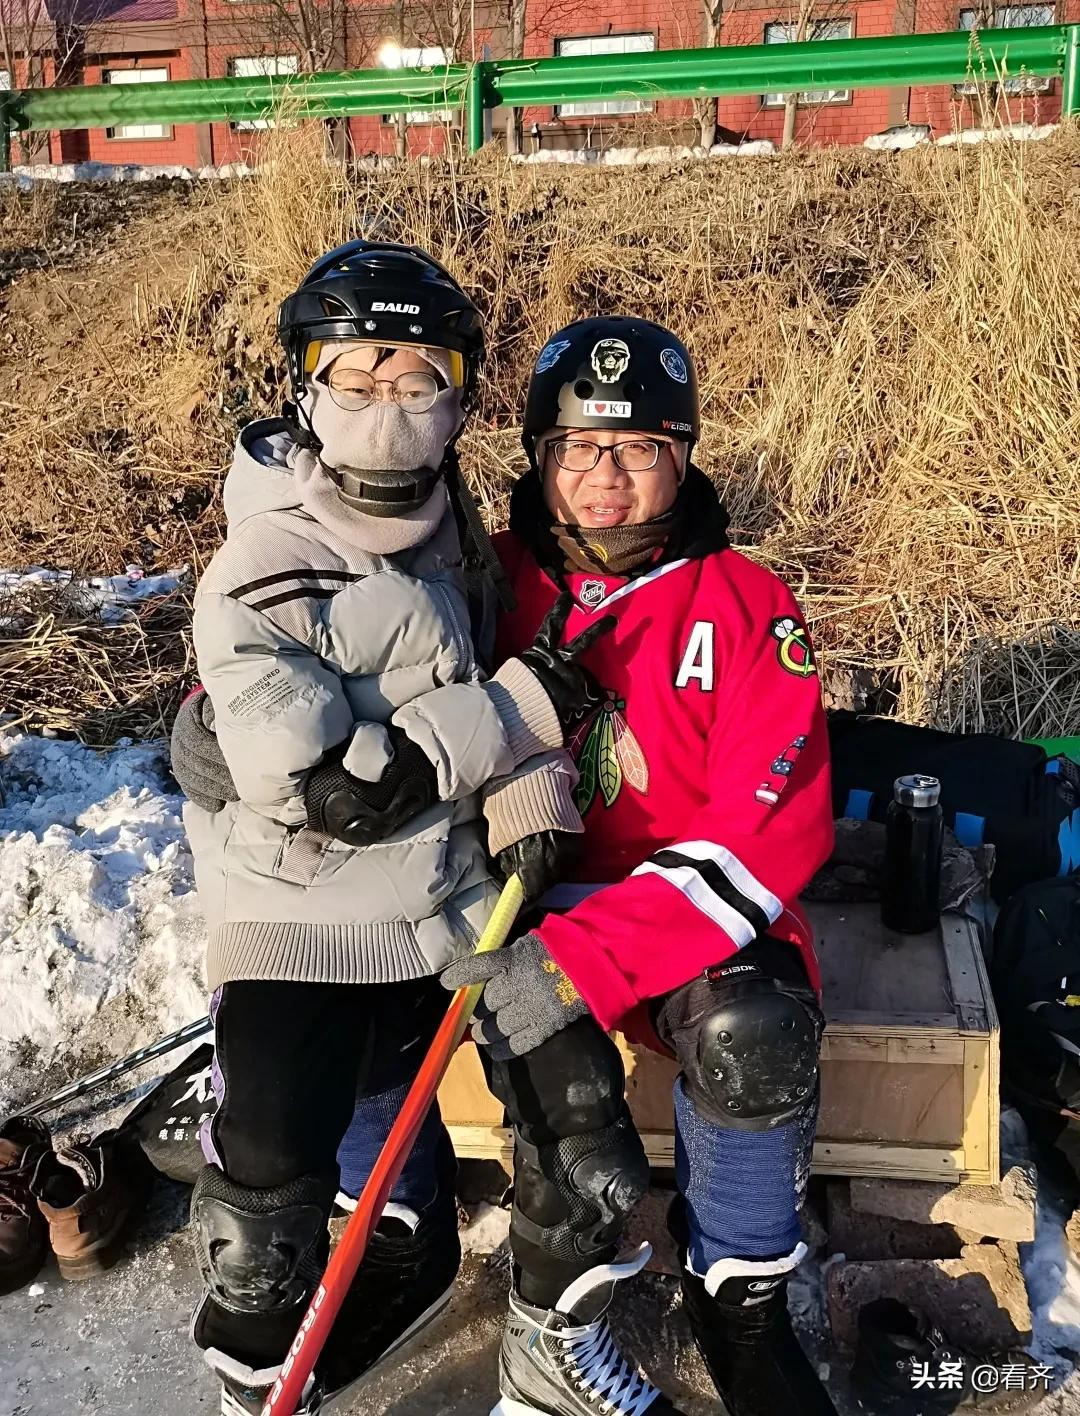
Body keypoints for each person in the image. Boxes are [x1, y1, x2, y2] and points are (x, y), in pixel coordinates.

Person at [177, 240, 599, 1416]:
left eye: (417, 377)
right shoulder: (264, 552)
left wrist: (530, 798)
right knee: (263, 1199)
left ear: (460, 393)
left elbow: (486, 668)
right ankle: (253, 1373)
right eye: (356, 374)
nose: (388, 406)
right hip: (296, 908)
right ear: (305, 386)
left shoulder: (462, 532)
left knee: (561, 1102)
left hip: (449, 899)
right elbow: (347, 786)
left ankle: (527, 1322)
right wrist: (518, 712)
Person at [441, 316, 837, 1416]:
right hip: (523, 892)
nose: (608, 478)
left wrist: (587, 958)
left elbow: (774, 832)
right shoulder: (478, 580)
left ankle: (740, 1303)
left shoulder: (749, 606)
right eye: (580, 448)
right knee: (539, 1058)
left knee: (753, 1032)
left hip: (683, 908)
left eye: (641, 449)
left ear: (685, 455)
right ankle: (545, 1322)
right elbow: (350, 642)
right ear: (536, 453)